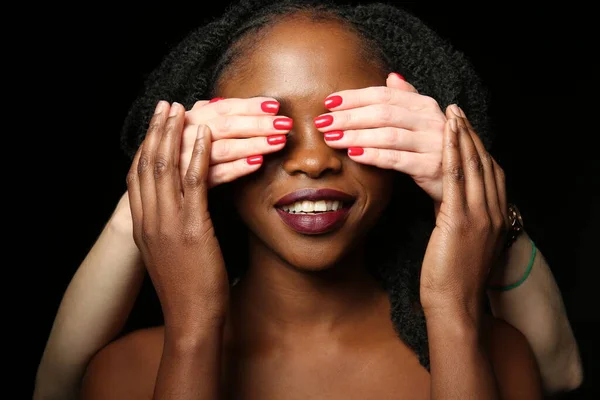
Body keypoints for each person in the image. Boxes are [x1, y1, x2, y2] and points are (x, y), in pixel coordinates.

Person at [33, 0, 583, 398]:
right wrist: (194, 328)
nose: (314, 160)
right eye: (270, 128)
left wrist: (454, 312)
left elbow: (565, 372)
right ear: (203, 160)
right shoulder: (126, 374)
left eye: (343, 122)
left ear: (407, 150)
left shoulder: (499, 356)